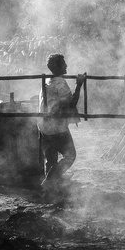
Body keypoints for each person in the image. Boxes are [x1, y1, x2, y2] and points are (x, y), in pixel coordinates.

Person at [38, 53, 85, 188]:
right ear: (58, 67)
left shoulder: (46, 81)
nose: (66, 66)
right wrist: (79, 85)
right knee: (70, 155)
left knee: (51, 159)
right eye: (63, 63)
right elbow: (71, 104)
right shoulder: (60, 83)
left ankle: (51, 190)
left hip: (43, 125)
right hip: (56, 127)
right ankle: (50, 181)